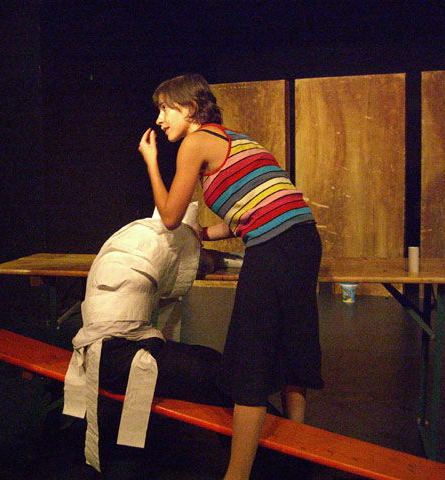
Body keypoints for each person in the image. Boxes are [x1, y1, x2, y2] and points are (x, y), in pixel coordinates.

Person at [138, 73, 324, 480]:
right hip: (302, 239)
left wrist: (151, 163)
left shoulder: (194, 143)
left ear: (190, 109)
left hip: (276, 246)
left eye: (166, 108)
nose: (160, 119)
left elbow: (169, 216)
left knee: (251, 358)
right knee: (290, 345)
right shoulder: (235, 139)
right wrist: (205, 235)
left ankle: (236, 475)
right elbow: (255, 209)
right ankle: (297, 454)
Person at [63, 202, 230, 477]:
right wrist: (206, 253)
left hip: (98, 348)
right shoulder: (165, 246)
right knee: (219, 371)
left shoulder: (134, 237)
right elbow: (188, 274)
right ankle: (260, 458)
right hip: (116, 359)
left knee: (211, 361)